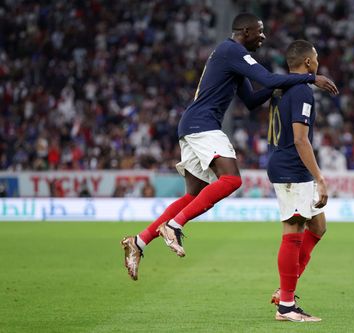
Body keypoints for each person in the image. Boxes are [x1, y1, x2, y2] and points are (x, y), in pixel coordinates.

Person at [121, 13, 338, 281]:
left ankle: (139, 242)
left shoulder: (231, 58)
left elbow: (251, 99)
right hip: (203, 126)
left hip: (191, 125)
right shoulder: (231, 50)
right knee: (232, 179)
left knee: (192, 196)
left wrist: (282, 91)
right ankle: (174, 225)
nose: (263, 37)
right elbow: (269, 79)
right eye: (259, 31)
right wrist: (307, 79)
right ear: (245, 31)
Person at [266, 40, 329, 322]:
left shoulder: (284, 88)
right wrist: (320, 178)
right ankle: (287, 306)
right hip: (292, 168)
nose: (317, 62)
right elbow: (301, 139)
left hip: (291, 167)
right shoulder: (302, 91)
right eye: (315, 58)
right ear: (307, 63)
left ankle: (285, 290)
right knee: (292, 232)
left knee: (317, 225)